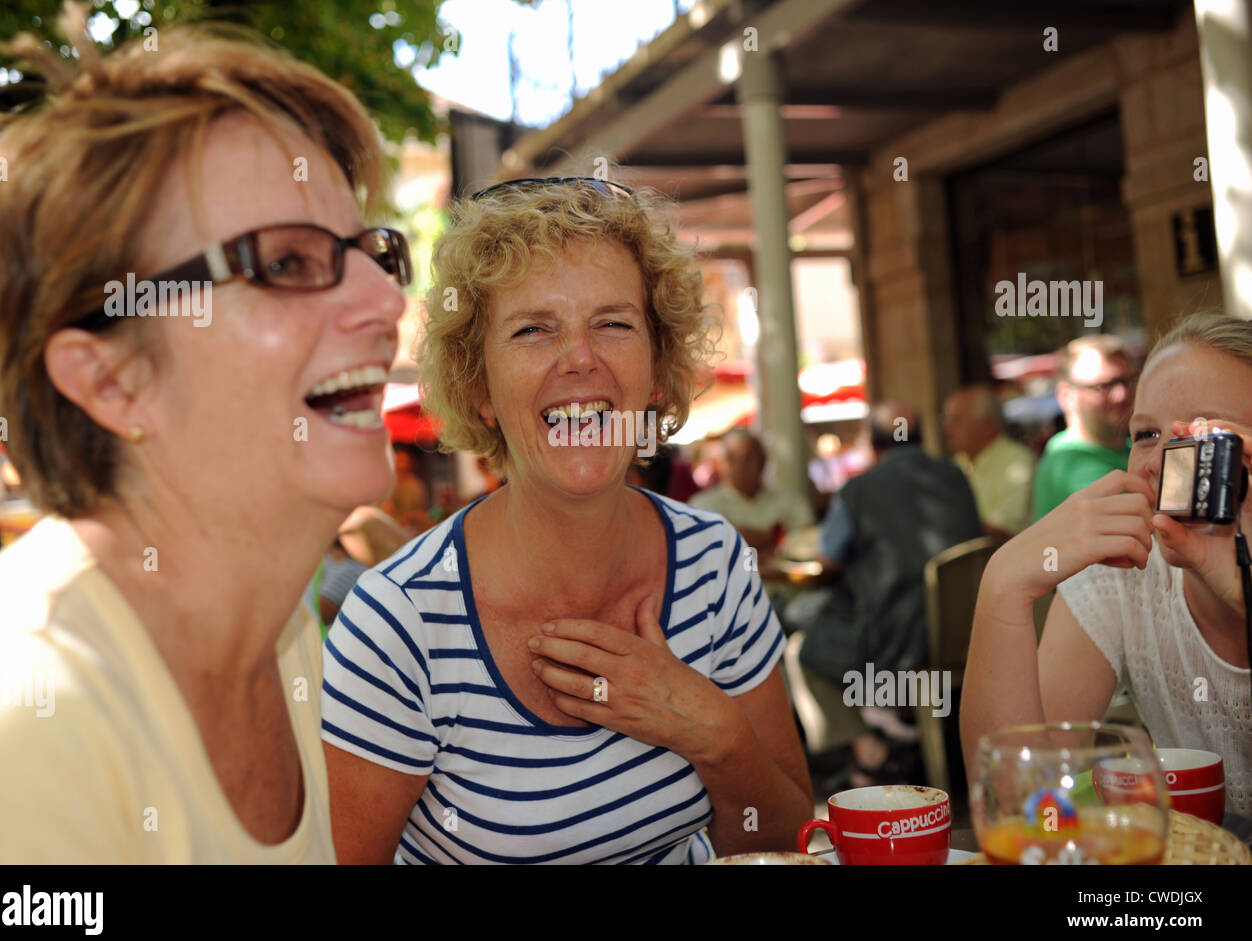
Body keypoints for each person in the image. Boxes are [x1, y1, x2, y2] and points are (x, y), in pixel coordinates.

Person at [0, 14, 408, 862]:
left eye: (371, 251)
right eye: (284, 262)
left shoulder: (282, 632)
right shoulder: (17, 721)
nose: (386, 302)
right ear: (111, 379)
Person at [320, 177, 813, 864]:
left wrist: (713, 730)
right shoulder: (401, 622)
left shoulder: (714, 561)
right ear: (480, 389)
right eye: (533, 329)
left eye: (613, 323)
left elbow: (790, 842)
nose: (579, 357)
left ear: (657, 373)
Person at [961, 312, 1252, 813]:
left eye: (1203, 435)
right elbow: (1016, 805)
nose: (1163, 460)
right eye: (1145, 435)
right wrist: (1003, 587)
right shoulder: (1125, 575)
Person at [796, 402, 982, 780]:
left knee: (799, 648)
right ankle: (893, 731)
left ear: (874, 446)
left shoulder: (859, 490)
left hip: (897, 641)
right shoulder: (957, 477)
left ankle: (869, 749)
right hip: (966, 636)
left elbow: (828, 558)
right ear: (923, 439)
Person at [1032, 335, 1137, 519]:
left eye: (1126, 381)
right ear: (1067, 396)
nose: (1121, 394)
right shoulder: (1068, 463)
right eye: (1103, 386)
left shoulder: (1131, 447)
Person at [690, 427, 814, 557]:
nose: (740, 465)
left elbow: (808, 543)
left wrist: (733, 535)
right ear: (721, 463)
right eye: (732, 458)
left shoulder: (792, 502)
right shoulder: (702, 504)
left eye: (748, 457)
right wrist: (773, 537)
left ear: (763, 461)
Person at [942, 383, 1036, 536]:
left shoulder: (1018, 461)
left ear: (987, 424)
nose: (947, 428)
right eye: (946, 420)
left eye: (956, 419)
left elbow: (1004, 528)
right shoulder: (957, 463)